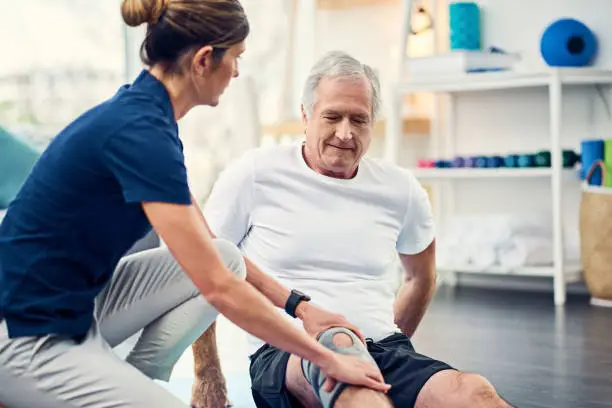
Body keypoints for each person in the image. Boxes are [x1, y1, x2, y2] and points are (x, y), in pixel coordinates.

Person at [0, 1, 391, 406]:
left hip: (76, 308)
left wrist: (299, 306)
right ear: (205, 60)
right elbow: (218, 288)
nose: (236, 72)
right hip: (24, 331)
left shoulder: (147, 116)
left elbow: (209, 247)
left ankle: (134, 382)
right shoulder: (141, 135)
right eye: (235, 58)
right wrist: (326, 359)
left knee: (225, 255)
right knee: (219, 273)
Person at [196, 50, 518, 408]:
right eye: (332, 117)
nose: (345, 133)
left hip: (382, 347)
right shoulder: (254, 174)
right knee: (353, 382)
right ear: (306, 115)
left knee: (474, 393)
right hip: (286, 354)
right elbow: (202, 263)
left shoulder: (401, 189)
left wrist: (383, 342)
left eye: (359, 120)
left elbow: (420, 278)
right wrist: (207, 372)